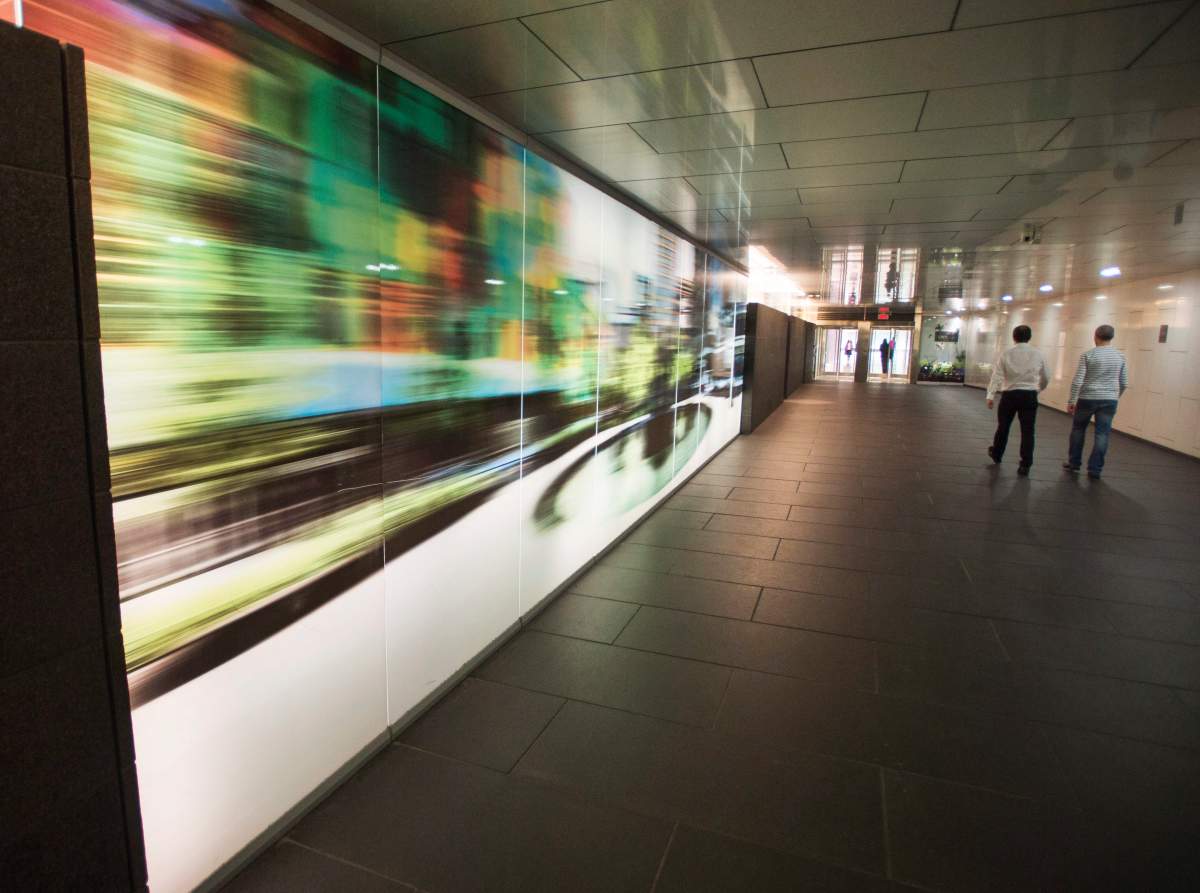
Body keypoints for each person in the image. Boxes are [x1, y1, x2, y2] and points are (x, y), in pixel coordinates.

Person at [1064, 324, 1128, 480]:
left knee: (1078, 429)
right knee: (1102, 434)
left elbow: (1078, 380)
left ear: (1095, 336)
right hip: (1109, 400)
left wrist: (1072, 400)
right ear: (1112, 337)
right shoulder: (1120, 356)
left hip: (1087, 398)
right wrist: (1115, 395)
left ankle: (1074, 463)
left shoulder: (1088, 355)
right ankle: (1095, 469)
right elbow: (1124, 382)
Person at [986, 325, 1048, 476]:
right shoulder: (1038, 354)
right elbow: (1046, 376)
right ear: (1029, 337)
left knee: (1003, 426)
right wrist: (1038, 389)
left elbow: (997, 376)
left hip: (1010, 395)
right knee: (1028, 431)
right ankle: (1025, 464)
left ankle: (997, 454)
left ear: (1014, 337)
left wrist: (990, 395)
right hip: (1029, 395)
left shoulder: (1006, 354)